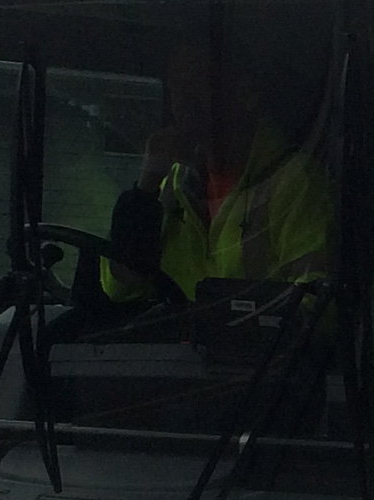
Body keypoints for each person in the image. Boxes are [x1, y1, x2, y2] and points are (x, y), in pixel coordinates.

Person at [106, 27, 335, 301]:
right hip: (176, 331)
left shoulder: (295, 183)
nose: (183, 98)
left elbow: (317, 305)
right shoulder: (170, 187)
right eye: (176, 84)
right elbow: (118, 289)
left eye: (198, 82)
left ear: (246, 93)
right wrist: (144, 191)